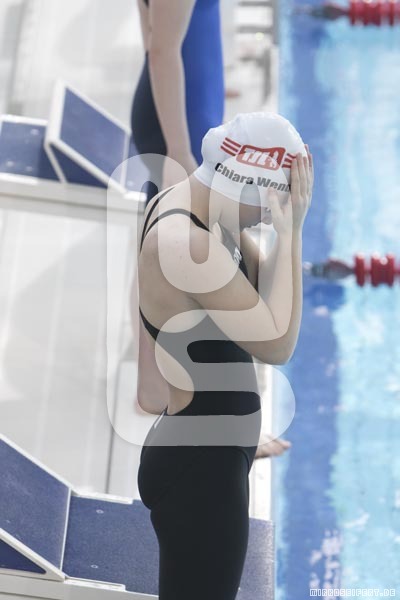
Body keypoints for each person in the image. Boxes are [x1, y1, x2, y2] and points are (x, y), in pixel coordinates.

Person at [136, 112, 314, 599]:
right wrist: (292, 233)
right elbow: (279, 344)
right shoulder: (186, 243)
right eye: (269, 202)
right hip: (201, 474)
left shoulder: (202, 210)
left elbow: (262, 289)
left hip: (207, 452)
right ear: (245, 183)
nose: (268, 217)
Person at [131, 0, 224, 203]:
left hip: (188, 107)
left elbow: (151, 31)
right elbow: (161, 53)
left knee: (164, 214)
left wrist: (209, 83)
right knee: (187, 218)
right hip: (183, 124)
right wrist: (179, 151)